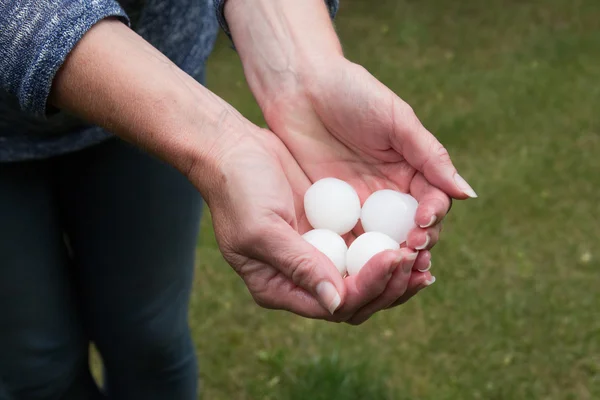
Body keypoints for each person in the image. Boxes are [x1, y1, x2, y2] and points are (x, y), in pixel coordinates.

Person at [0, 0, 477, 398]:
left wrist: (305, 68)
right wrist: (219, 142)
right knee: (37, 365)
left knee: (151, 338)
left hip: (157, 85)